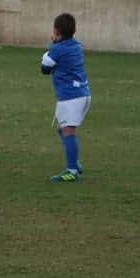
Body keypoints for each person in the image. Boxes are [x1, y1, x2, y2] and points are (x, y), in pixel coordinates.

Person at [42, 12, 91, 183]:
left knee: (68, 131)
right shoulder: (76, 45)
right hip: (83, 94)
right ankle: (74, 163)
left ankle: (71, 171)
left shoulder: (57, 49)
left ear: (56, 31)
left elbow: (44, 68)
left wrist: (52, 45)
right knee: (63, 129)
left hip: (71, 97)